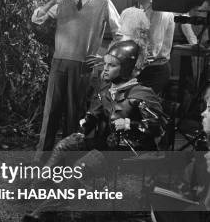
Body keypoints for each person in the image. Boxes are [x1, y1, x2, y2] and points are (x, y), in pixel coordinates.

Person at [32, 0, 121, 161]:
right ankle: (41, 159)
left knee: (75, 115)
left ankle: (67, 160)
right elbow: (36, 18)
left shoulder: (103, 2)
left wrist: (104, 57)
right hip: (59, 63)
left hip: (82, 67)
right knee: (50, 114)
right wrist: (52, 1)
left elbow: (121, 34)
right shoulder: (63, 0)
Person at [130, 88, 210, 222]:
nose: (203, 113)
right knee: (158, 196)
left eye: (209, 109)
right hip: (202, 214)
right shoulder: (205, 145)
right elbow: (193, 187)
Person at [42, 40, 165, 169]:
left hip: (130, 149)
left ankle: (73, 184)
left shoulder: (142, 94)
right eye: (105, 64)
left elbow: (158, 127)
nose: (105, 69)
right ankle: (42, 180)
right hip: (105, 143)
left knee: (80, 167)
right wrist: (86, 124)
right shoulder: (106, 89)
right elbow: (95, 113)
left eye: (112, 65)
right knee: (63, 146)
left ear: (126, 68)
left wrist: (129, 124)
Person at [117, 0, 175, 96]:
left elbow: (153, 48)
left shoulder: (159, 11)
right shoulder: (140, 11)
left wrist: (133, 70)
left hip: (154, 70)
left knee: (139, 105)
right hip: (141, 67)